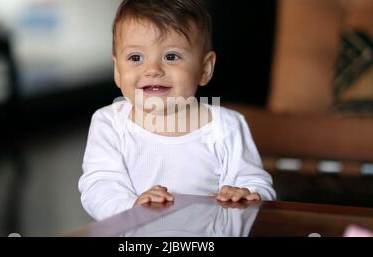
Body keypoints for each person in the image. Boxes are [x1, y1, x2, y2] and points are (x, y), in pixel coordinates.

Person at [79, 0, 276, 221]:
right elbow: (99, 187)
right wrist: (131, 207)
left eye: (171, 56)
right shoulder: (109, 123)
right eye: (136, 58)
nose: (153, 70)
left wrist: (246, 195)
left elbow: (257, 183)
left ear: (204, 69)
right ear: (117, 70)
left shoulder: (226, 126)